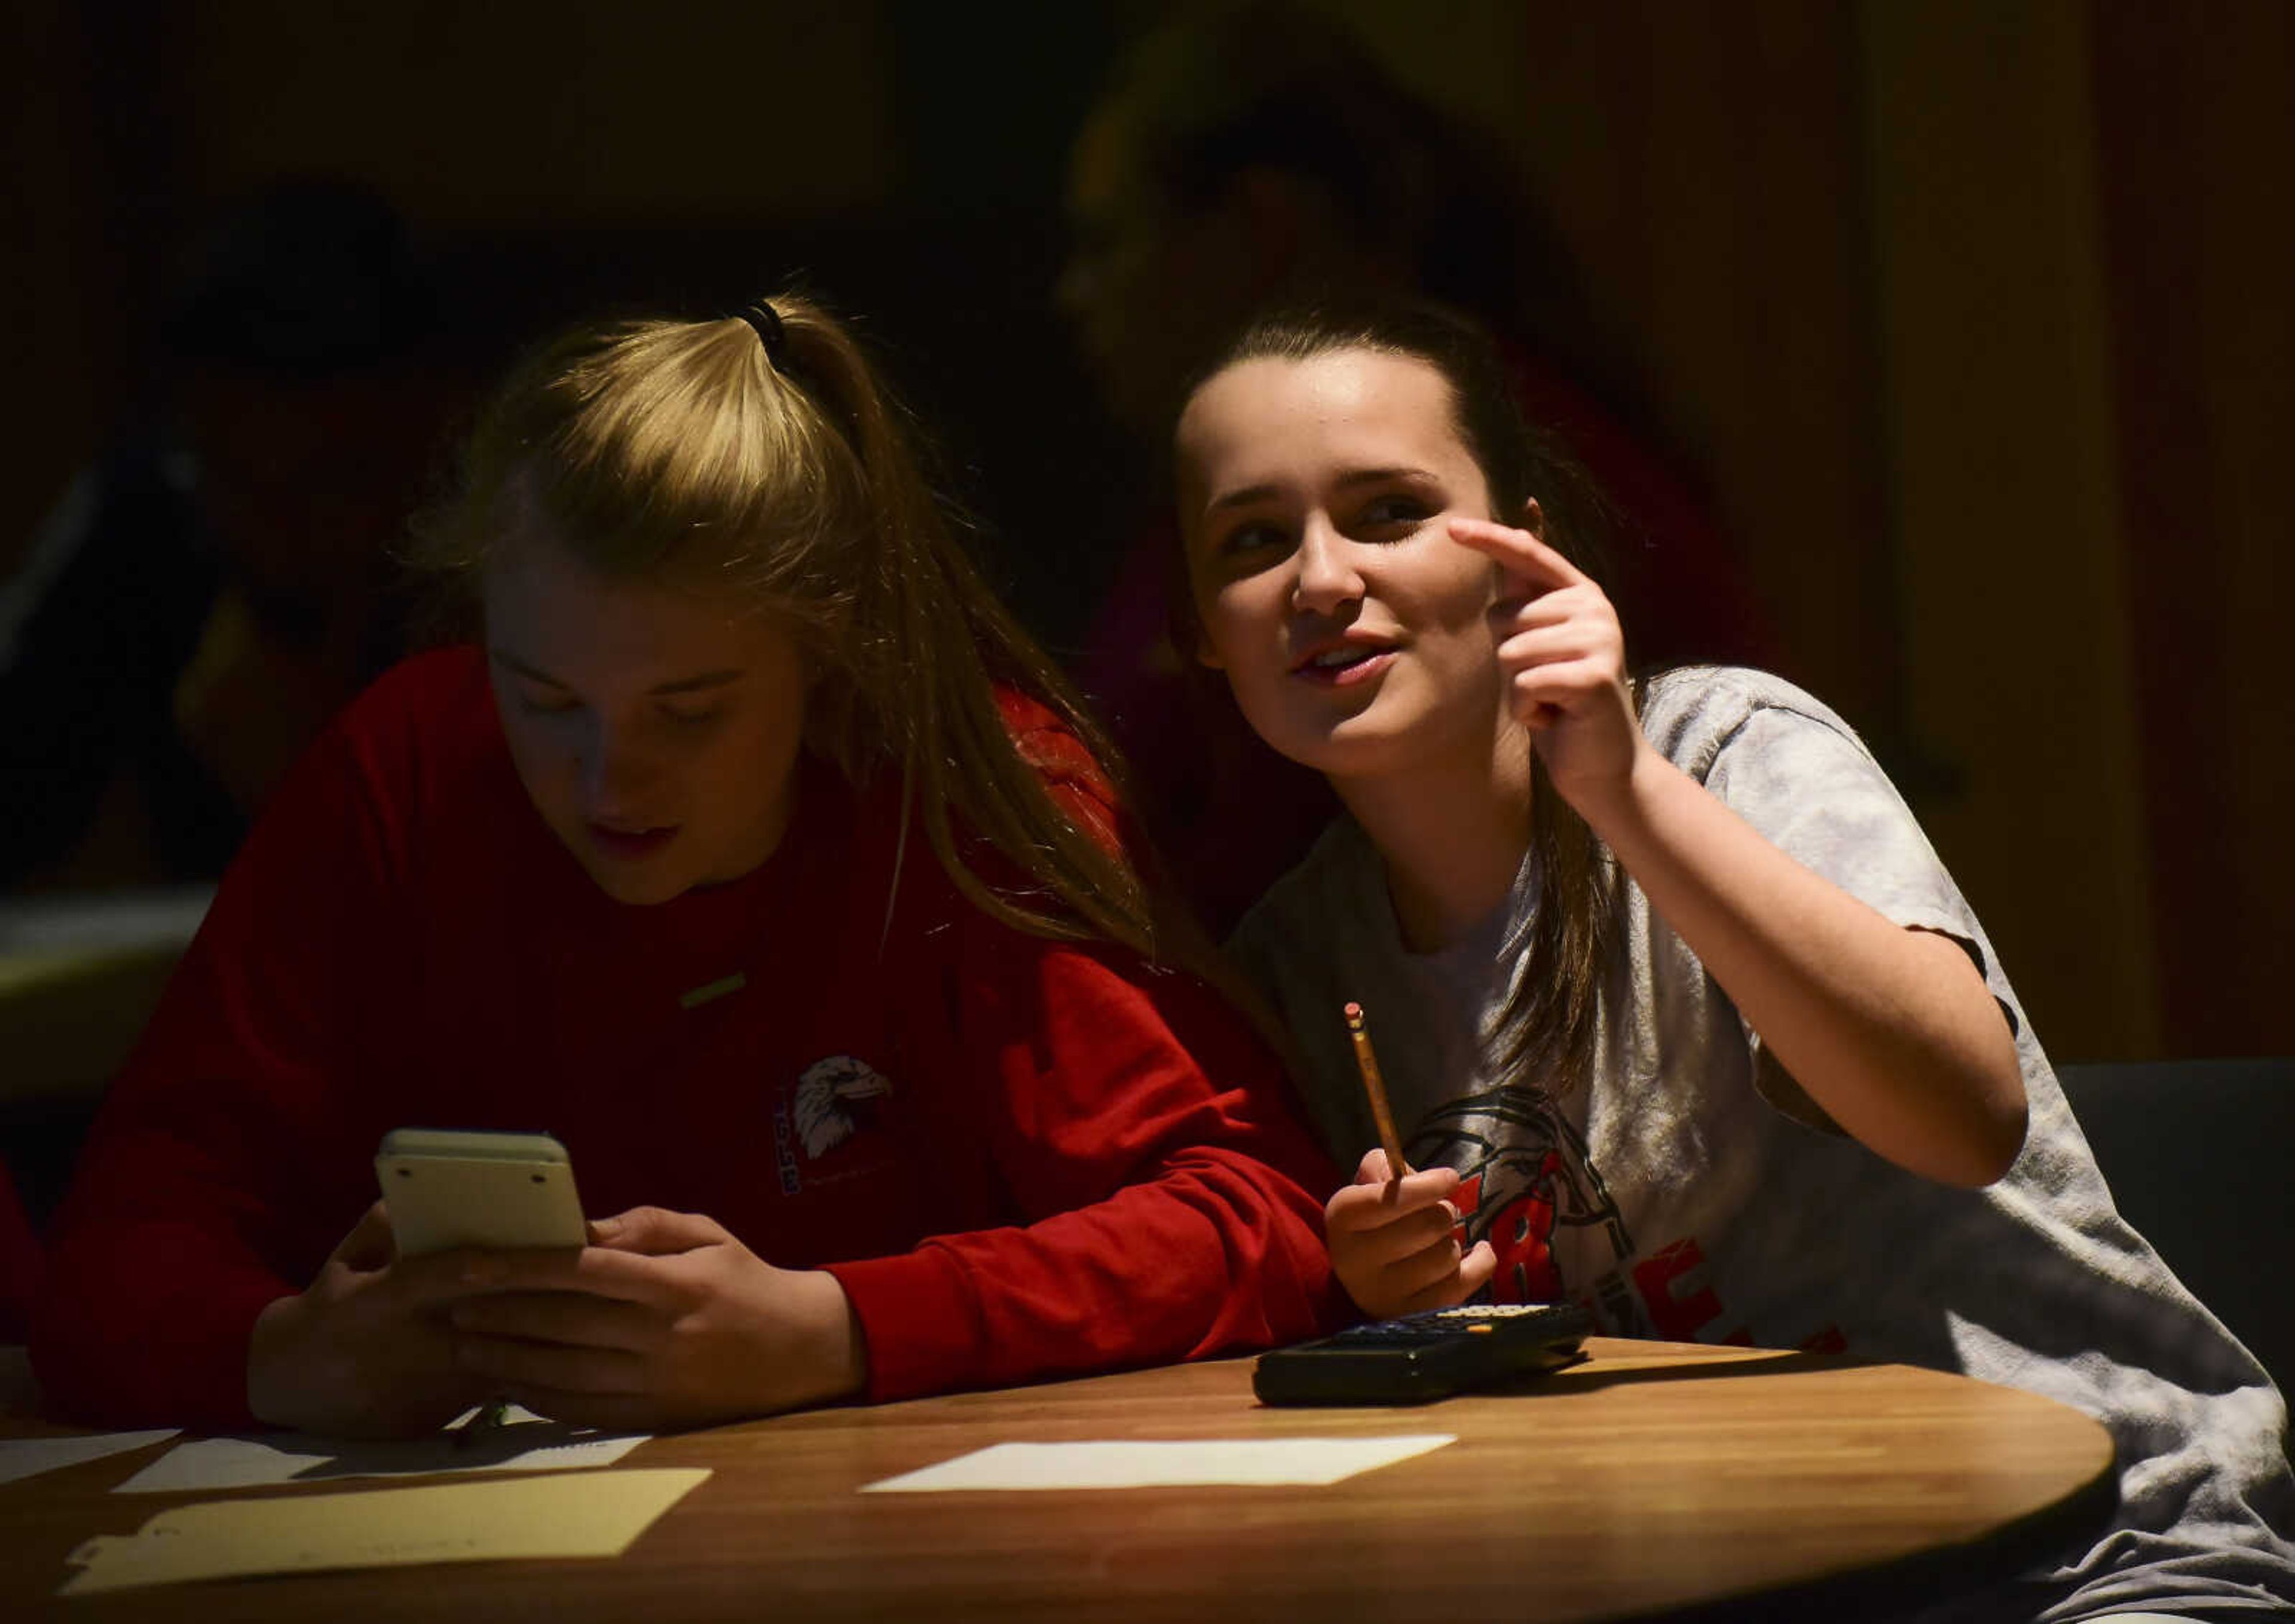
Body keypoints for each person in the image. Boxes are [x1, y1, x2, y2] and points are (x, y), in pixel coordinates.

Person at [29, 292, 1342, 1438]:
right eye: (544, 700)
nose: (609, 780)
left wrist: (836, 1328)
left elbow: (1258, 1215)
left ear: (830, 657)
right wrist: (282, 1357)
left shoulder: (958, 780)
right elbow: (110, 1257)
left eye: (692, 710)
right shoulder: (407, 767)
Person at [1171, 301, 2294, 1621]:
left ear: (1515, 550)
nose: (1318, 578)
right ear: (1203, 628)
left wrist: (1626, 793)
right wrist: (1373, 1298)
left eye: (1387, 511)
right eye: (1254, 540)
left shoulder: (1727, 750)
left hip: (2088, 1555)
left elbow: (1964, 1117)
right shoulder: (1293, 962)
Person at [1052, 3, 1776, 935]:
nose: (1321, 579)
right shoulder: (1315, 954)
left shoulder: (1519, 436)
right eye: (1258, 539)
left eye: (1109, 238)